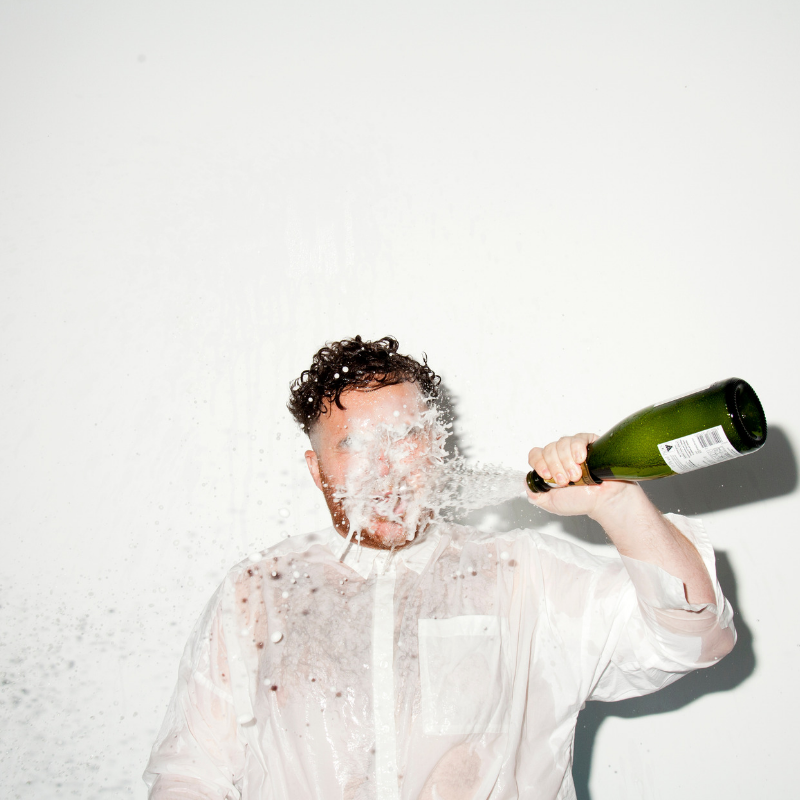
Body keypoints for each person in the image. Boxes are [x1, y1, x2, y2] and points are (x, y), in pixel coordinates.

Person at [144, 335, 736, 800]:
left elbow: (693, 638)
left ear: (437, 444)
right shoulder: (258, 593)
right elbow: (192, 774)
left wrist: (617, 502)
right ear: (315, 466)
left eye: (404, 436)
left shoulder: (522, 574)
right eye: (353, 444)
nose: (385, 468)